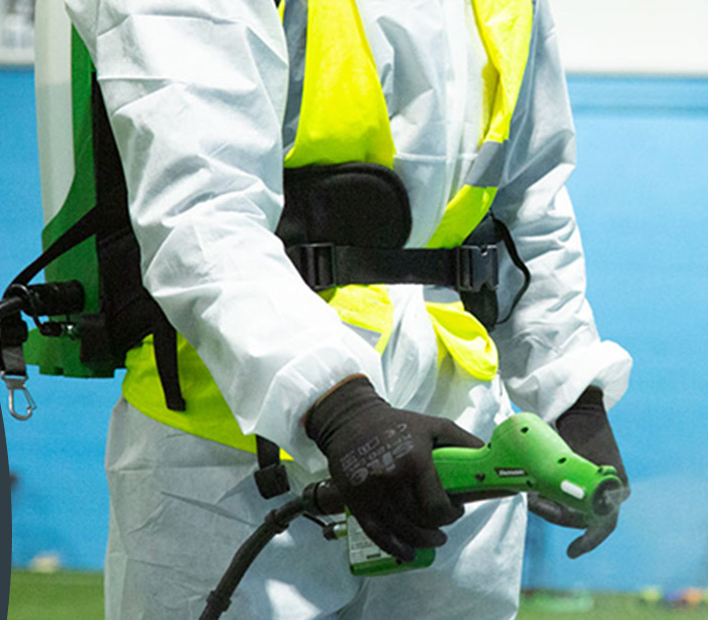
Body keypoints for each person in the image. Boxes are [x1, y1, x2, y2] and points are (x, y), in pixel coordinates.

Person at [63, 0, 632, 617]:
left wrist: (573, 395)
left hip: (458, 431)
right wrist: (339, 407)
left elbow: (530, 201)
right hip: (235, 448)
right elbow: (200, 212)